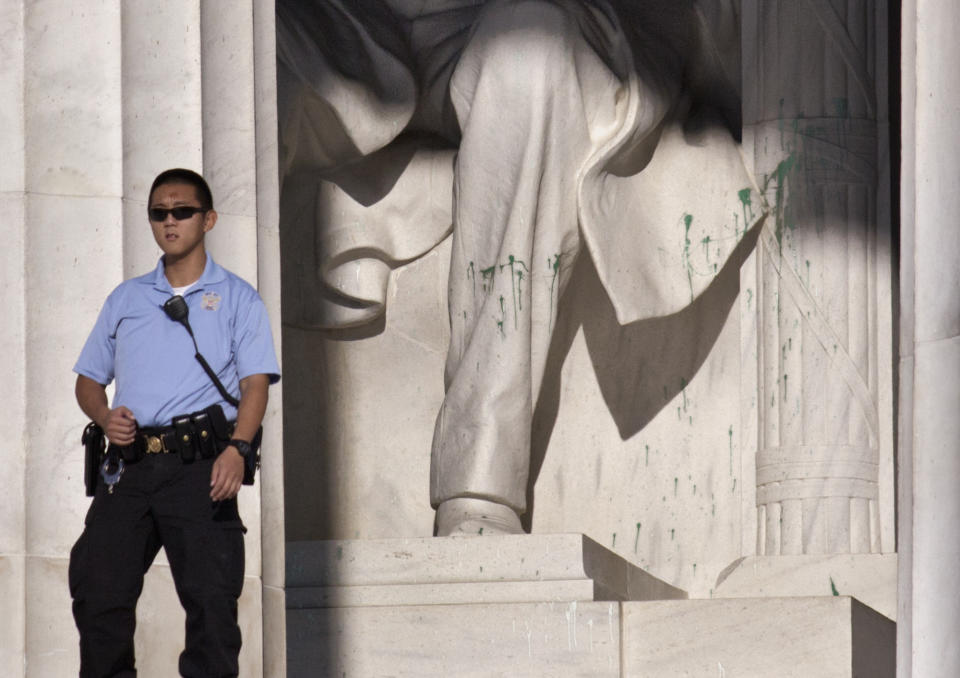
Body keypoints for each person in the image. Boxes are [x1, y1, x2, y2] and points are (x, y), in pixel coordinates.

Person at [276, 0, 763, 536]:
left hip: (546, 22)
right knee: (229, 49)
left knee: (526, 53)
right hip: (353, 23)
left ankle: (479, 481)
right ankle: (200, 490)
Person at [68, 168, 281, 677]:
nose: (170, 221)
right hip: (131, 465)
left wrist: (239, 449)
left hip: (201, 465)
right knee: (98, 593)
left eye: (182, 211)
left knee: (211, 607)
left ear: (207, 219)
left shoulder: (238, 297)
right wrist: (104, 415)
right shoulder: (126, 298)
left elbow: (256, 385)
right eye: (159, 213)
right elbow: (88, 381)